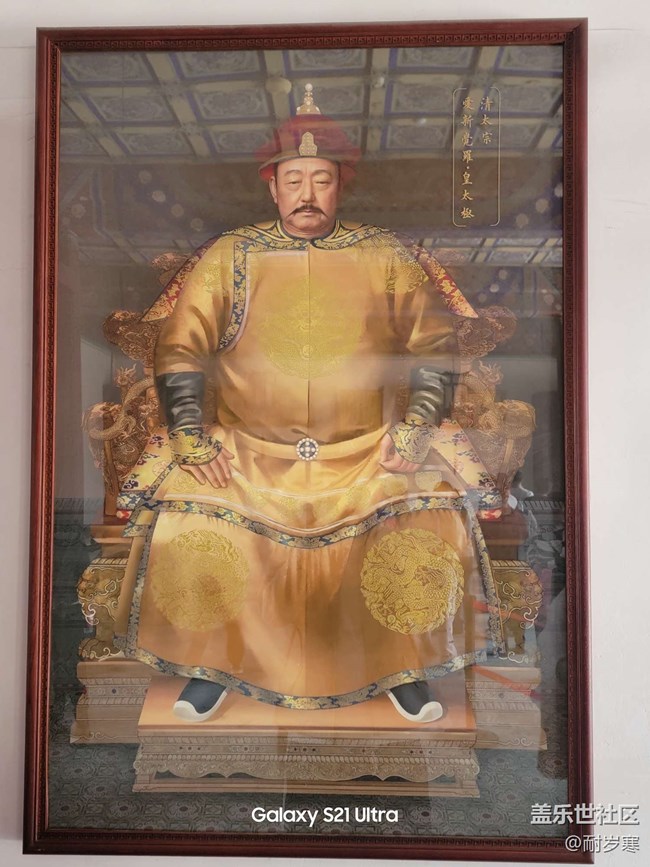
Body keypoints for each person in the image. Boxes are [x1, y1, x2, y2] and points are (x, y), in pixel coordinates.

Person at [115, 85, 504, 725]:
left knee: (425, 510)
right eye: (293, 180)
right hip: (248, 449)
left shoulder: (384, 254)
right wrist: (190, 435)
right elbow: (181, 347)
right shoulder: (231, 254)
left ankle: (403, 665)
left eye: (321, 180)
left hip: (367, 449)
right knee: (195, 514)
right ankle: (210, 665)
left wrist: (414, 429)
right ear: (272, 187)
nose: (306, 194)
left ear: (339, 186)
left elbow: (434, 343)